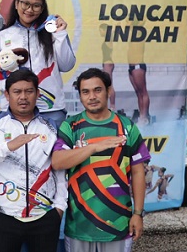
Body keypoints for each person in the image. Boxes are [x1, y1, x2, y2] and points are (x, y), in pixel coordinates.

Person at [52, 68, 150, 252]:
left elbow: (138, 172)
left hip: (118, 224)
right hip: (79, 226)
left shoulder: (127, 127)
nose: (92, 96)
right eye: (85, 92)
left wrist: (138, 213)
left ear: (108, 91)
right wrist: (93, 147)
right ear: (80, 96)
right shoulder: (70, 126)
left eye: (97, 90)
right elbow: (57, 162)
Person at [0, 69, 67, 252]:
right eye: (17, 92)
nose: (23, 97)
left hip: (45, 217)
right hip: (4, 216)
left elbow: (59, 168)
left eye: (29, 91)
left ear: (38, 94)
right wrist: (7, 146)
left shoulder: (51, 126)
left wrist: (59, 207)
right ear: (7, 95)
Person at [0, 0, 76, 127]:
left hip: (51, 108)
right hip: (14, 109)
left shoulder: (52, 33)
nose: (30, 10)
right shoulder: (2, 36)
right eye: (25, 4)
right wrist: (13, 90)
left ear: (42, 8)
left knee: (53, 150)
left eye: (36, 5)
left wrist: (60, 34)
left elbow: (67, 65)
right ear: (17, 4)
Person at [127, 20, 151, 126]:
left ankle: (144, 117)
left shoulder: (140, 31)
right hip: (131, 66)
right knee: (138, 93)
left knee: (143, 92)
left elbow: (143, 20)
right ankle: (142, 115)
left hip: (138, 65)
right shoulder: (131, 32)